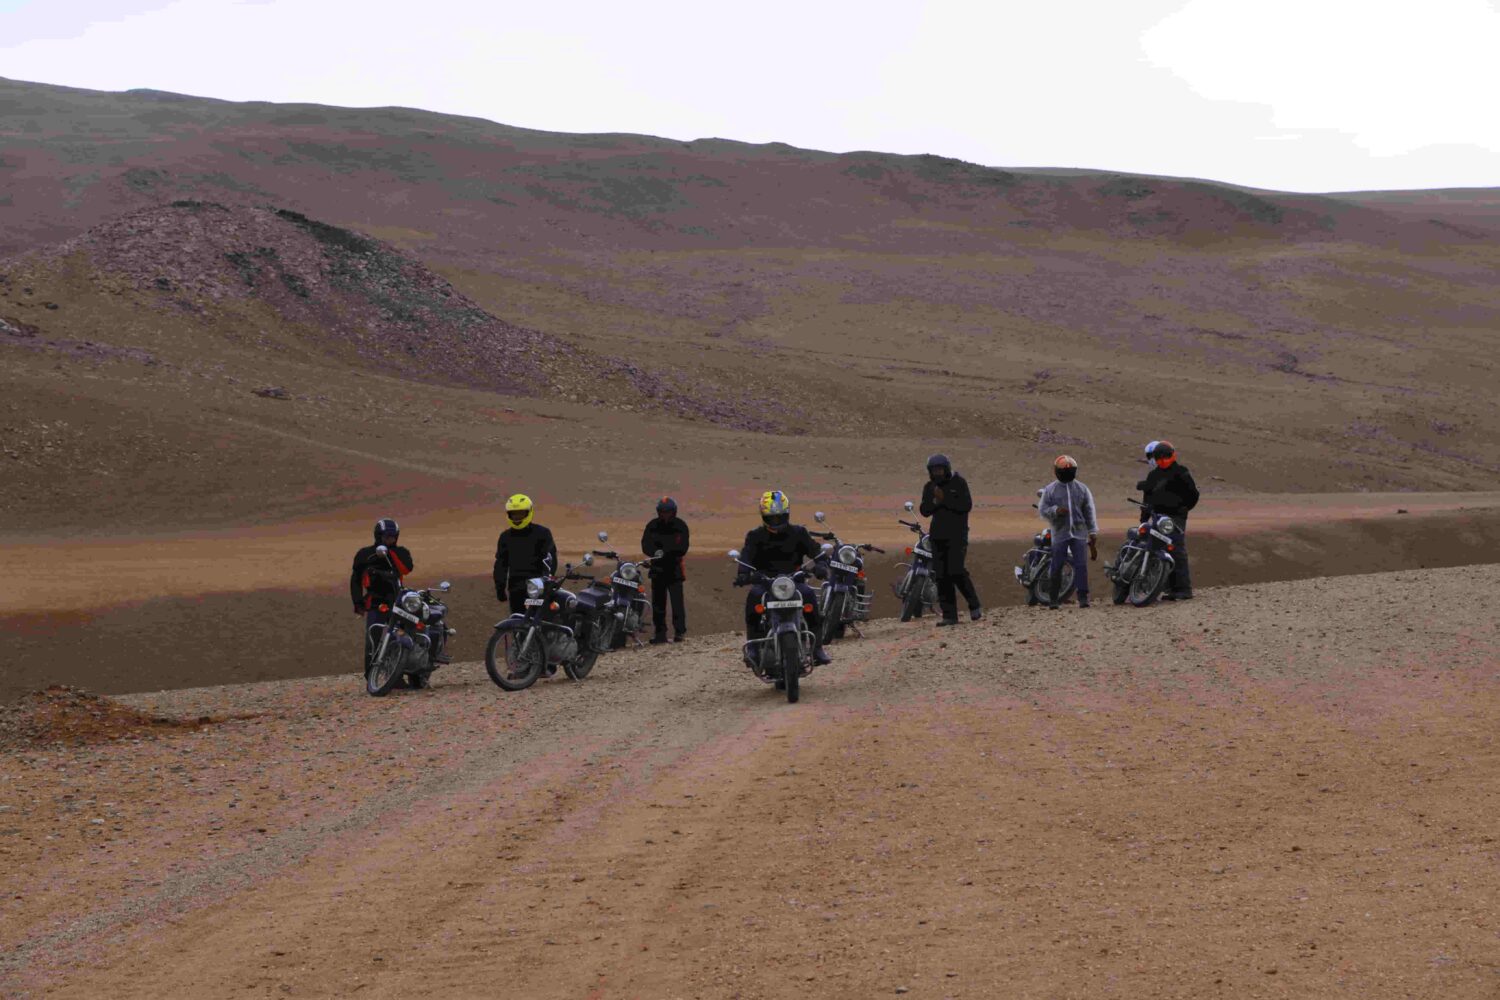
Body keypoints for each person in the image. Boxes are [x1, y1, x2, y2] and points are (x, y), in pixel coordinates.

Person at [734, 490, 832, 666]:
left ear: (787, 514)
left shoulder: (799, 532)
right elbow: (746, 556)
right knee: (753, 599)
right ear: (764, 516)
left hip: (794, 580)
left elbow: (815, 551)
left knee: (809, 597)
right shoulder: (755, 536)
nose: (776, 520)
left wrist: (821, 565)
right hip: (765, 581)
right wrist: (743, 573)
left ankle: (817, 648)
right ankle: (753, 648)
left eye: (780, 516)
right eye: (771, 517)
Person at [350, 518, 433, 672]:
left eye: (393, 537)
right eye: (387, 537)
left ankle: (398, 674)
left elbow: (406, 569)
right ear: (378, 536)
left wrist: (388, 553)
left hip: (397, 601)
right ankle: (370, 675)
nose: (390, 540)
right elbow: (355, 580)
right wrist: (358, 603)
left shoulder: (401, 552)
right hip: (375, 601)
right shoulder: (364, 554)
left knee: (400, 637)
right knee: (373, 639)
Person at [918, 453, 983, 626]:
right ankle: (949, 615)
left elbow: (966, 506)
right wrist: (934, 501)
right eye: (934, 470)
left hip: (957, 535)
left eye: (940, 470)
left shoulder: (958, 483)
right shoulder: (930, 487)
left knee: (956, 570)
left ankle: (974, 605)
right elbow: (924, 511)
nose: (937, 473)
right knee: (941, 576)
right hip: (937, 536)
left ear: (946, 469)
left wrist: (944, 499)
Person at [1138, 440, 1200, 600]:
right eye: (1159, 458)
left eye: (1166, 457)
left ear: (1172, 456)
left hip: (1175, 517)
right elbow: (1147, 499)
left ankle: (1184, 589)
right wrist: (1144, 517)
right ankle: (1167, 588)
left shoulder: (1181, 472)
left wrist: (1182, 510)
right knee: (1158, 548)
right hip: (1157, 516)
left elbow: (1193, 494)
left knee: (1176, 548)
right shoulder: (1153, 475)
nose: (1163, 461)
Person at [1038, 456, 1099, 609]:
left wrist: (1092, 531)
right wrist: (1056, 511)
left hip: (1079, 533)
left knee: (1081, 565)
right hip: (1060, 533)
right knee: (1057, 565)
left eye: (1069, 470)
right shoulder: (1050, 489)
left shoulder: (1082, 489)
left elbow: (1089, 511)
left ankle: (1083, 598)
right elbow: (1043, 510)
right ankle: (1053, 599)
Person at [492, 494, 559, 616]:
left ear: (529, 512)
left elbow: (550, 559)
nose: (517, 517)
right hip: (516, 589)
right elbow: (501, 565)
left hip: (538, 588)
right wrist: (500, 588)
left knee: (542, 620)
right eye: (514, 514)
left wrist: (546, 581)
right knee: (518, 621)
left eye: (521, 514)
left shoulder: (542, 533)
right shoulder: (505, 537)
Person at [641, 496, 690, 644]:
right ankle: (660, 634)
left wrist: (665, 552)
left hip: (675, 570)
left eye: (668, 512)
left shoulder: (680, 526)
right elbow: (645, 544)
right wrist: (654, 552)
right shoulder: (652, 525)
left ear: (674, 511)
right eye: (662, 512)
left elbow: (683, 547)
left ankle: (680, 632)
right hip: (657, 570)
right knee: (658, 604)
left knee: (677, 604)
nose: (665, 514)